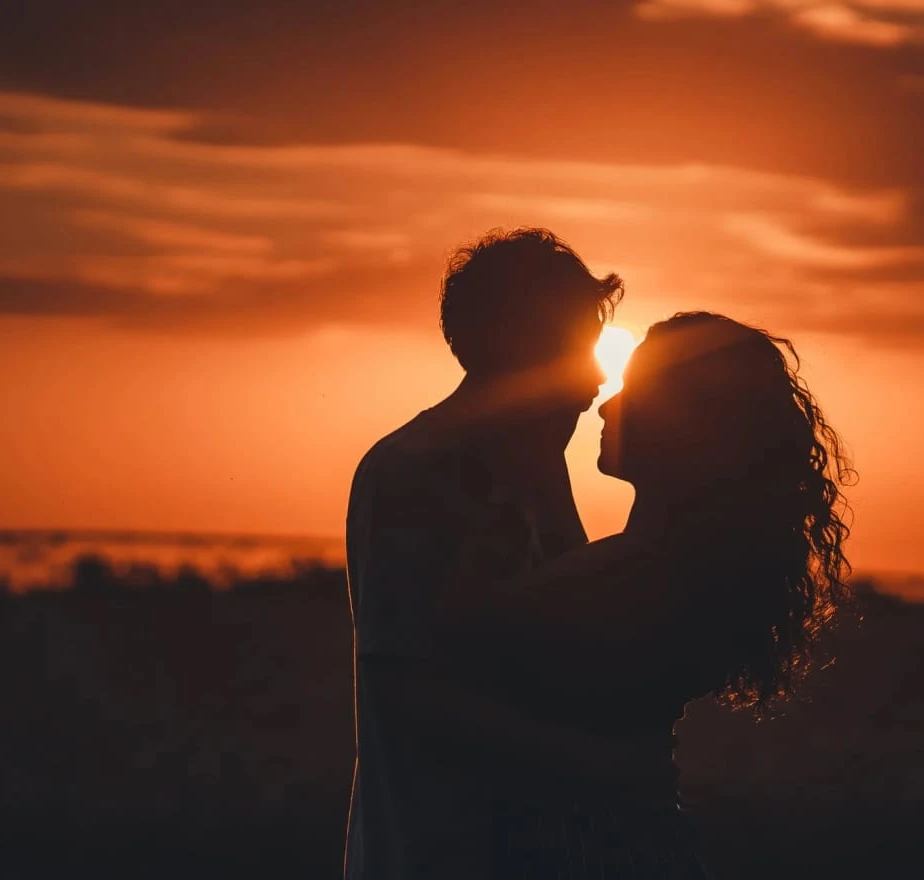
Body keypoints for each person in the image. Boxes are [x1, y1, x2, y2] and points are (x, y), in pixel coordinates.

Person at [436, 311, 854, 877]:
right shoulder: (679, 565)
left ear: (677, 423)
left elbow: (453, 641)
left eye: (631, 391)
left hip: (592, 849)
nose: (605, 407)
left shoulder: (632, 575)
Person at [343, 228, 673, 880]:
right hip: (437, 852)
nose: (596, 377)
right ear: (511, 343)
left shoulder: (530, 466)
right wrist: (597, 760)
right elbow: (403, 690)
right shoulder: (413, 469)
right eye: (574, 347)